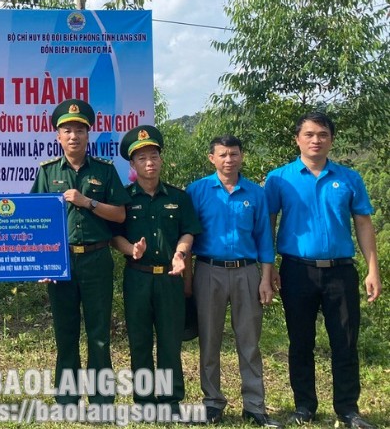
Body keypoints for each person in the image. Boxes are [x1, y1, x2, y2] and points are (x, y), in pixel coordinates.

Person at [265, 112, 381, 429]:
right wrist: (270, 268)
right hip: (296, 271)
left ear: (331, 139)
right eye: (310, 134)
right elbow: (268, 225)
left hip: (341, 273)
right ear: (297, 139)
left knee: (345, 341)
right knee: (300, 341)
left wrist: (373, 270)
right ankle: (304, 406)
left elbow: (363, 224)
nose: (316, 140)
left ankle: (348, 409)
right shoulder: (279, 178)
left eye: (323, 134)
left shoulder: (349, 178)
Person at [30, 98, 129, 405]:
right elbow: (35, 220)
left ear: (89, 135)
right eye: (67, 130)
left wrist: (88, 202)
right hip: (61, 262)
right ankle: (67, 399)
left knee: (99, 334)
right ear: (58, 137)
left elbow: (121, 216)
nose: (73, 136)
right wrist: (42, 263)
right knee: (66, 333)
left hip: (97, 259)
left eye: (79, 130)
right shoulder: (46, 172)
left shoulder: (105, 171)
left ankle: (101, 400)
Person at [186, 135, 279, 427]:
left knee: (249, 341)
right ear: (211, 158)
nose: (229, 160)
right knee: (209, 340)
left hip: (247, 272)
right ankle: (212, 403)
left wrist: (265, 278)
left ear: (242, 156)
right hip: (208, 270)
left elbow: (265, 238)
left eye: (234, 154)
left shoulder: (255, 193)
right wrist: (187, 279)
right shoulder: (197, 191)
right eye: (223, 155)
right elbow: (187, 234)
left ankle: (254, 405)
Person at [111, 125, 200, 414]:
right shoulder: (124, 198)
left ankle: (171, 400)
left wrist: (181, 253)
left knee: (169, 342)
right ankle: (145, 401)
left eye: (153, 156)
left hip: (170, 279)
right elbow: (115, 235)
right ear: (133, 165)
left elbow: (189, 231)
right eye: (142, 158)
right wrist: (131, 250)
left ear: (161, 159)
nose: (149, 162)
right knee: (139, 341)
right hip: (137, 277)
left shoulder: (179, 197)